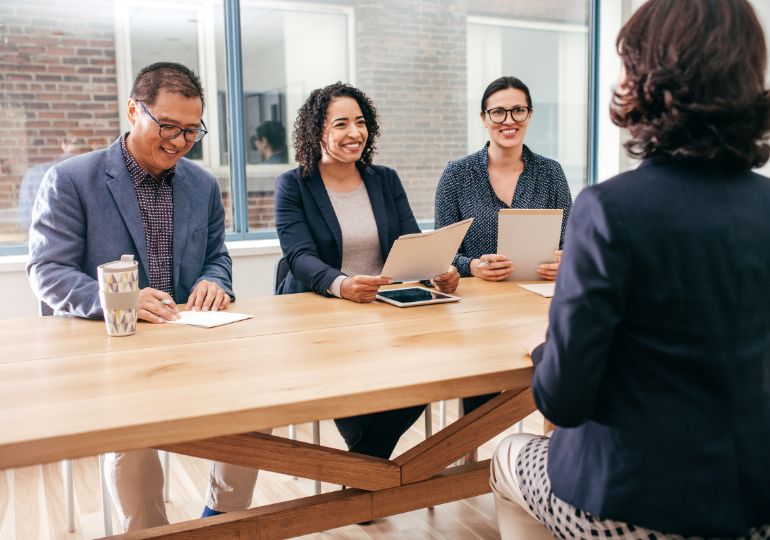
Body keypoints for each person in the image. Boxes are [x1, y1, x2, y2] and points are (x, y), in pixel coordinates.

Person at [490, 1, 770, 539]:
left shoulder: (610, 210)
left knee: (508, 455)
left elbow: (563, 402)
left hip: (632, 502)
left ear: (646, 78)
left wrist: (549, 343)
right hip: (754, 503)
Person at [26, 62, 250, 531]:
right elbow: (47, 272)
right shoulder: (72, 179)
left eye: (191, 131)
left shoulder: (203, 184)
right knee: (134, 432)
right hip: (115, 351)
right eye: (167, 126)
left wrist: (216, 281)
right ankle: (150, 530)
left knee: (260, 406)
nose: (178, 141)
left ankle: (223, 518)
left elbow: (217, 256)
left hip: (191, 343)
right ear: (133, 110)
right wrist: (116, 301)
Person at [434, 76, 572, 416]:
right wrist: (473, 266)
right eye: (498, 112)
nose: (508, 120)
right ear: (483, 118)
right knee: (479, 398)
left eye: (517, 110)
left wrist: (565, 261)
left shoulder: (551, 173)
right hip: (475, 310)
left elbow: (573, 242)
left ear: (530, 114)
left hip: (537, 306)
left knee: (555, 381)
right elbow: (441, 253)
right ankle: (469, 458)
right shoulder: (457, 174)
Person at [17, 136, 91, 231]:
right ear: (89, 146)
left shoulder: (34, 173)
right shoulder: (95, 173)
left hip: (43, 239)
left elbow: (25, 218)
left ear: (63, 144)